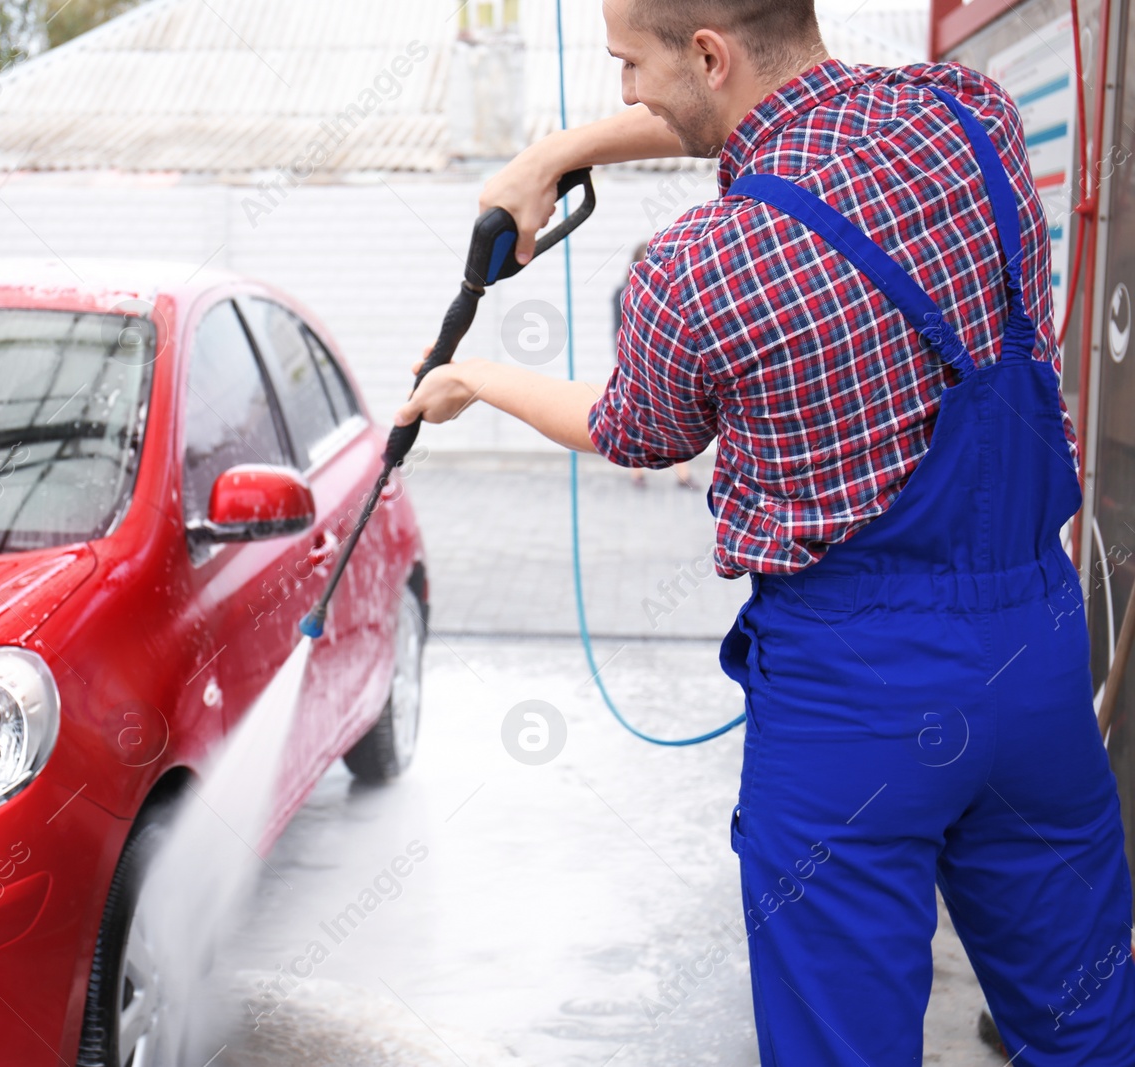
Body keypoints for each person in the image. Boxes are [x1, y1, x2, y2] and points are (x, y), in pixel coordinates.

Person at [394, 0, 1135, 1062]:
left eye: (630, 67)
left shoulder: (694, 269)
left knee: (843, 1042)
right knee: (1086, 1024)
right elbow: (770, 108)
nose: (625, 96)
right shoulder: (971, 119)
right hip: (1035, 654)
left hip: (852, 698)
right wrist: (562, 150)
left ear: (707, 52)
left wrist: (476, 377)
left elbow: (628, 429)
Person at [616, 241, 696, 489]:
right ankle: (637, 473)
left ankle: (683, 471)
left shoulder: (668, 293)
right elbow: (618, 329)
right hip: (632, 361)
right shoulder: (624, 293)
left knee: (673, 417)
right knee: (635, 418)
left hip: (662, 363)